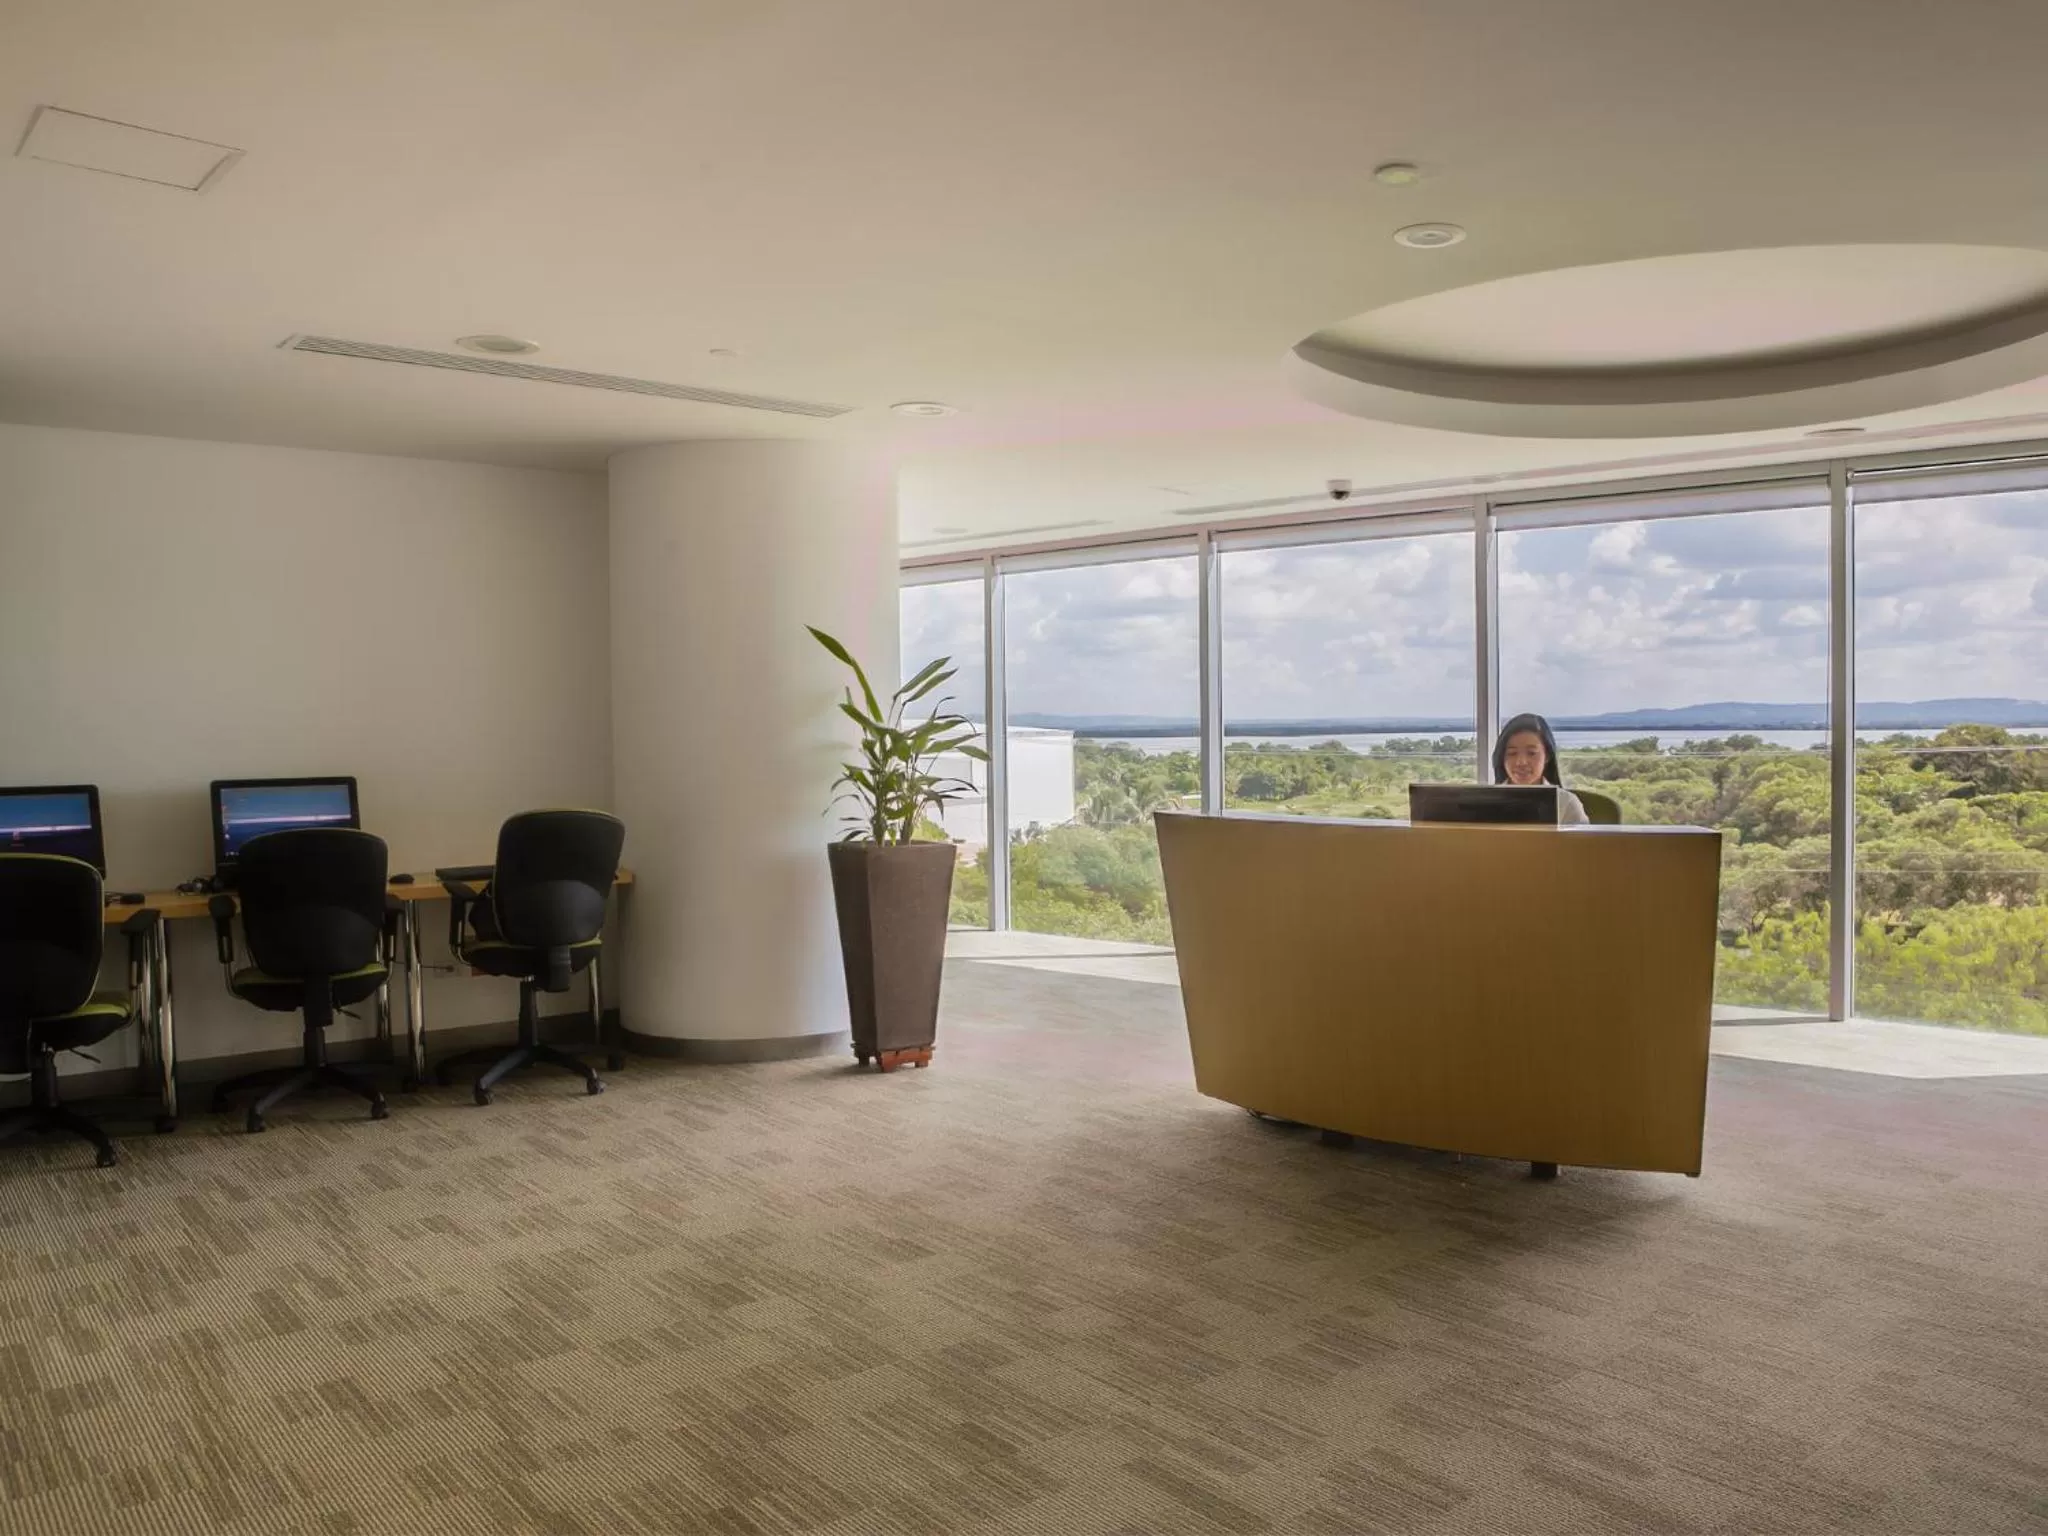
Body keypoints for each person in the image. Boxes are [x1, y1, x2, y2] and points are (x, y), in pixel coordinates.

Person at [1491, 713, 1589, 826]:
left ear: (1547, 755)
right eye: (1512, 753)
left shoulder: (1566, 803)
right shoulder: (1487, 804)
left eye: (1531, 753)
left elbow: (1583, 843)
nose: (1521, 762)